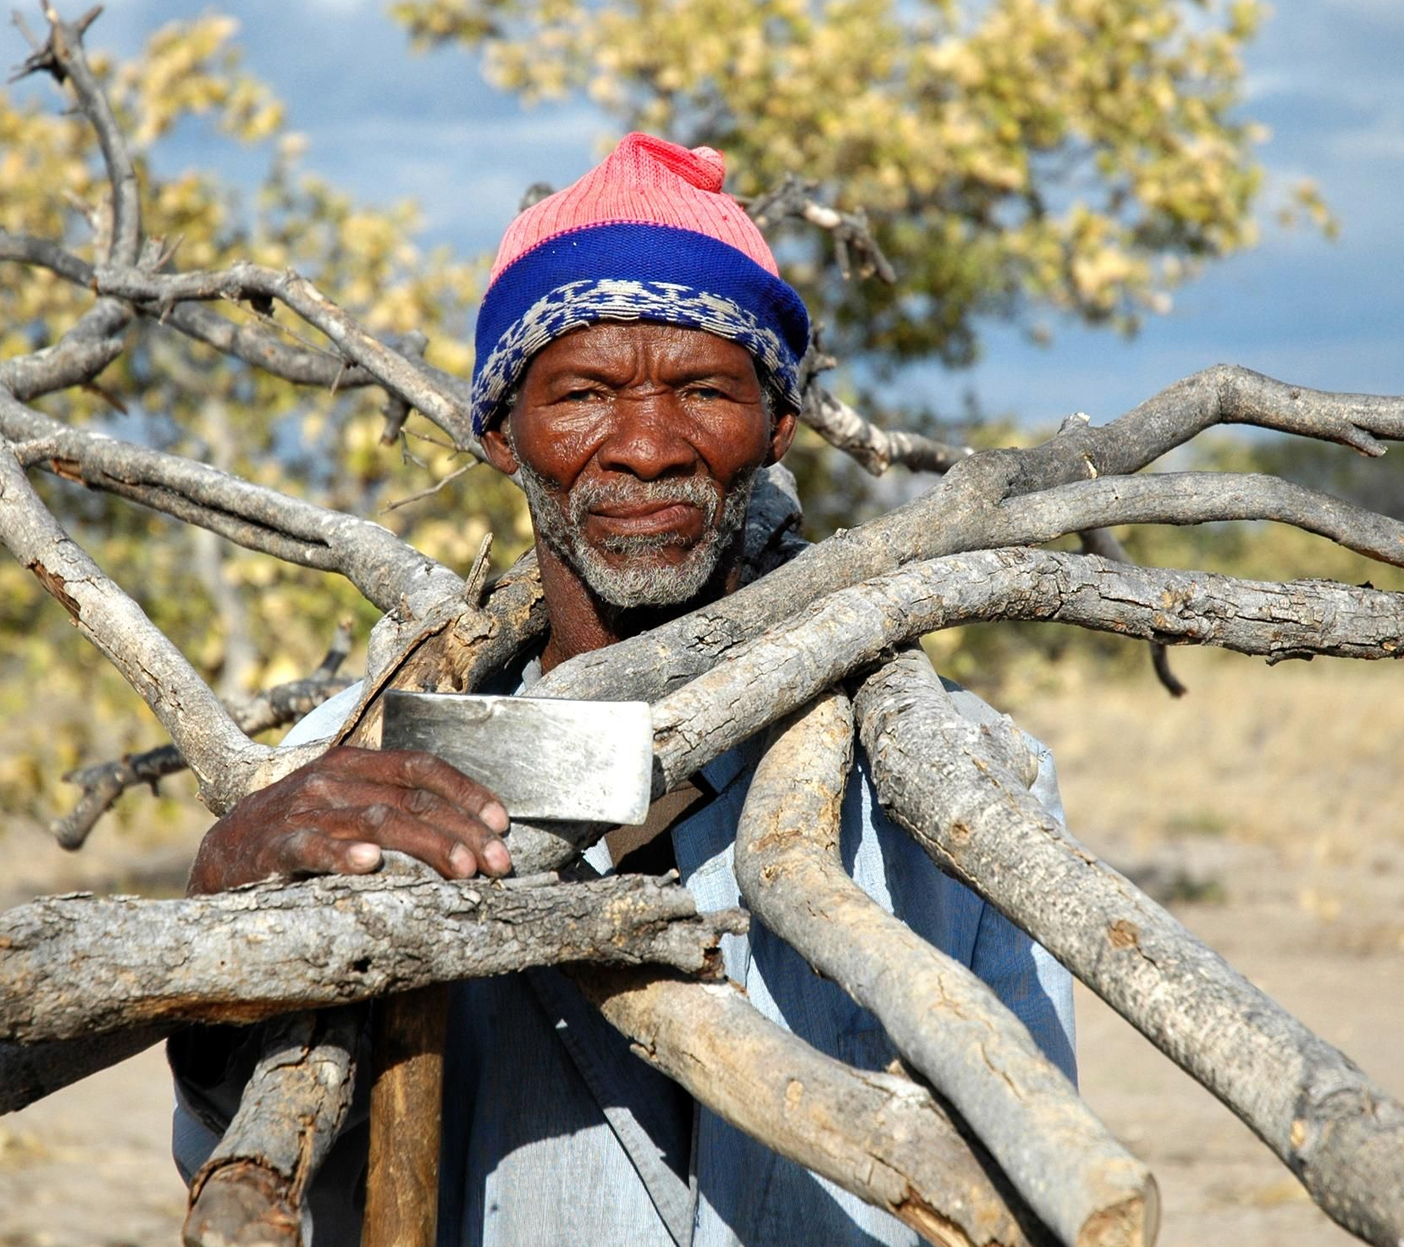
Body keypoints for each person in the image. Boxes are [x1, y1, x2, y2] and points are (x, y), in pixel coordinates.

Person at [172, 133, 1076, 1246]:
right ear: (501, 433)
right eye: (584, 393)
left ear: (775, 426)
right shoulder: (358, 771)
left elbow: (1034, 1190)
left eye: (703, 388)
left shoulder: (958, 783)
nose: (646, 447)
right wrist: (222, 934)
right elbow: (259, 1168)